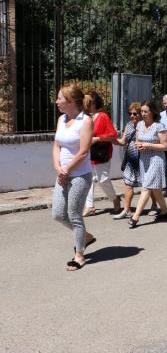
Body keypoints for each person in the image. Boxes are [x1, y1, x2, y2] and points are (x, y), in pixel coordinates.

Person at [52, 83, 96, 271]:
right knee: (58, 215)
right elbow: (56, 145)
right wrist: (58, 168)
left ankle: (79, 255)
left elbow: (84, 151)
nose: (57, 102)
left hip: (79, 175)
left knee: (74, 215)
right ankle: (86, 236)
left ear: (70, 101)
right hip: (63, 174)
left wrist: (67, 168)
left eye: (60, 98)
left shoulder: (85, 121)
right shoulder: (62, 119)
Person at [129, 101, 167, 228]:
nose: (143, 114)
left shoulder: (159, 126)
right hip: (144, 159)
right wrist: (139, 146)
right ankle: (165, 211)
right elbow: (137, 141)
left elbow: (165, 146)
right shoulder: (140, 125)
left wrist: (148, 145)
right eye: (142, 111)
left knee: (146, 187)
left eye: (145, 111)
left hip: (156, 159)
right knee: (155, 189)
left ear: (152, 112)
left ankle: (135, 217)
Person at [113, 102, 156, 219]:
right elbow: (123, 141)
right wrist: (111, 139)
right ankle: (126, 210)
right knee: (128, 183)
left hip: (143, 158)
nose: (132, 116)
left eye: (135, 113)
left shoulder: (144, 125)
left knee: (148, 184)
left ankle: (154, 205)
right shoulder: (129, 125)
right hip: (131, 159)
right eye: (130, 113)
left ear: (141, 114)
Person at [83, 91, 121, 217]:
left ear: (93, 103)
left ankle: (115, 199)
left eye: (88, 102)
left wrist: (97, 139)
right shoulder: (86, 117)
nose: (85, 104)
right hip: (88, 153)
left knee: (102, 180)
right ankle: (89, 206)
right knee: (88, 180)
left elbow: (112, 135)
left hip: (101, 153)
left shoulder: (103, 116)